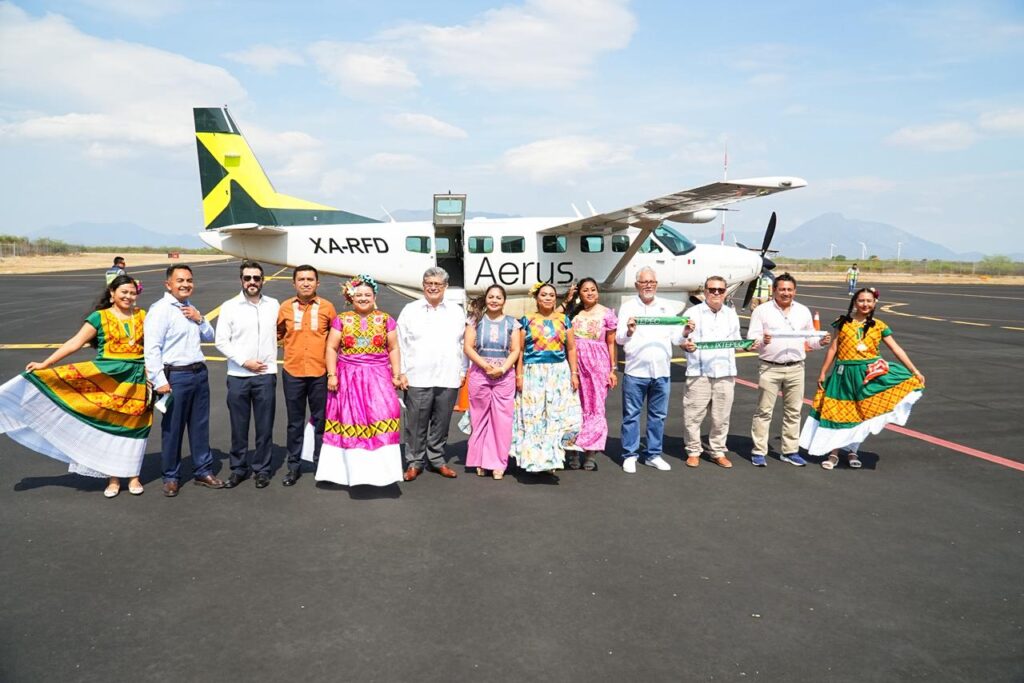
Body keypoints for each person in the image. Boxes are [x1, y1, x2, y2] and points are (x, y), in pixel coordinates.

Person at [0, 275, 151, 498]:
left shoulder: (143, 316)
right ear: (112, 294)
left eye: (132, 292)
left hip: (137, 377)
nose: (128, 296)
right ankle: (113, 478)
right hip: (107, 377)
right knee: (111, 427)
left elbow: (154, 346)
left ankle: (134, 476)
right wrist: (46, 363)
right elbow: (75, 343)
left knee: (136, 426)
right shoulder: (99, 317)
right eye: (124, 292)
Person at [800, 287, 926, 469]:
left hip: (869, 374)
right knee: (837, 413)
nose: (865, 304)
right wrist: (823, 372)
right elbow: (833, 349)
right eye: (861, 300)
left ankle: (853, 450)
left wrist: (914, 370)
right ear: (854, 302)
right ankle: (833, 453)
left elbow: (896, 349)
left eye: (869, 301)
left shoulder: (879, 325)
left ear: (874, 303)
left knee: (862, 413)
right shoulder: (841, 323)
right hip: (843, 374)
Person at [144, 264, 224, 497]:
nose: (186, 284)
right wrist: (159, 380)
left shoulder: (190, 307)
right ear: (168, 284)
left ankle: (203, 470)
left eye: (189, 280)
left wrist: (200, 319)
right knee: (173, 428)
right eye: (180, 280)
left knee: (200, 426)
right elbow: (152, 349)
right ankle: (171, 476)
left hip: (199, 373)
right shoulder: (160, 310)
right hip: (175, 377)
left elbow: (211, 336)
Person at [316, 275, 403, 487]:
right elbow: (331, 347)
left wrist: (397, 374)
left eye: (368, 295)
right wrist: (332, 374)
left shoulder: (385, 319)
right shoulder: (342, 319)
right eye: (359, 295)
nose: (363, 298)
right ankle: (348, 473)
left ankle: (383, 473)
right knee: (350, 419)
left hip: (378, 378)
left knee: (384, 414)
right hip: (348, 378)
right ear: (350, 297)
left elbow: (393, 348)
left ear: (374, 297)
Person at [746, 273, 831, 468]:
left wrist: (820, 342)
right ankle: (759, 451)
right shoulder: (762, 311)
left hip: (795, 368)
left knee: (793, 412)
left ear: (795, 291)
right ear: (774, 290)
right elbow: (752, 339)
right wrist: (762, 341)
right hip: (770, 367)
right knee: (764, 411)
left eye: (789, 289)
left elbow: (809, 340)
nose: (786, 293)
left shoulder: (803, 311)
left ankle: (790, 451)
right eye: (782, 289)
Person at [616, 267, 689, 473]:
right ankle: (630, 454)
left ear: (656, 284)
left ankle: (653, 454)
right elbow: (620, 338)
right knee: (631, 415)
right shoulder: (628, 307)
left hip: (661, 372)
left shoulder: (667, 308)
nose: (648, 285)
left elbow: (676, 338)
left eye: (651, 282)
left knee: (658, 416)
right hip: (636, 371)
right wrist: (629, 331)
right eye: (644, 282)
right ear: (637, 285)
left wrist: (685, 331)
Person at [396, 267, 466, 481]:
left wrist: (463, 370)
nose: (433, 287)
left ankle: (436, 459)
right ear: (423, 285)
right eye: (429, 283)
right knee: (415, 423)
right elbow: (399, 342)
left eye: (437, 284)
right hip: (417, 376)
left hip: (448, 375)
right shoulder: (410, 309)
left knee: (442, 422)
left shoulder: (456, 311)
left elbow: (462, 342)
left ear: (445, 287)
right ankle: (414, 462)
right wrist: (401, 372)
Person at [215, 261, 280, 489]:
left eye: (256, 278)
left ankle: (262, 469)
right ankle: (238, 469)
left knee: (264, 427)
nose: (252, 282)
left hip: (265, 375)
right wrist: (245, 362)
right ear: (241, 280)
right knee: (238, 426)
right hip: (238, 376)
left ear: (263, 280)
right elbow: (221, 340)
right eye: (247, 278)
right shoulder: (229, 306)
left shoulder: (273, 305)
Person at [511, 282, 582, 473]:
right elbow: (519, 350)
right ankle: (533, 458)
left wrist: (574, 373)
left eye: (551, 295)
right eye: (544, 295)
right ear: (536, 298)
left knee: (555, 414)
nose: (548, 298)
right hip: (533, 371)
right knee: (534, 414)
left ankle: (552, 458)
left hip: (558, 371)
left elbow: (571, 348)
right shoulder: (526, 320)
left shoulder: (564, 320)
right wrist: (518, 374)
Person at [276, 265, 336, 486]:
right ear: (294, 283)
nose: (306, 283)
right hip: (293, 372)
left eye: (310, 279)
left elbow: (334, 337)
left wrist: (333, 372)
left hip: (320, 372)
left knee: (322, 421)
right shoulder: (284, 308)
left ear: (317, 283)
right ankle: (293, 466)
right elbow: (279, 333)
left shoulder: (328, 308)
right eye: (301, 279)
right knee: (294, 422)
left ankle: (322, 464)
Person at [681, 276, 741, 469]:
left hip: (725, 372)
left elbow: (736, 341)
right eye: (712, 289)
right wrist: (686, 345)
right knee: (693, 415)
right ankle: (693, 450)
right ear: (705, 291)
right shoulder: (692, 313)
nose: (716, 293)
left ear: (725, 292)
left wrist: (749, 345)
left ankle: (717, 450)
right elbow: (682, 339)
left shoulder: (731, 314)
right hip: (700, 372)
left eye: (720, 290)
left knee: (721, 417)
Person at [463, 285, 521, 480]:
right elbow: (468, 347)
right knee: (479, 418)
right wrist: (486, 366)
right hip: (480, 372)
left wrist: (502, 368)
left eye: (498, 297)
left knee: (502, 420)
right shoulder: (474, 321)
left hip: (504, 375)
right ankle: (480, 460)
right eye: (491, 297)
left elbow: (515, 350)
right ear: (486, 299)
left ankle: (498, 463)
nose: (494, 300)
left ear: (504, 300)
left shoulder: (513, 323)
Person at [565, 277, 618, 471]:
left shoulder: (607, 314)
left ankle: (590, 451)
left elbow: (611, 343)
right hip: (575, 364)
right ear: (579, 293)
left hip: (598, 365)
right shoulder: (573, 313)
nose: (589, 293)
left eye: (593, 290)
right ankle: (572, 450)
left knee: (595, 407)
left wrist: (612, 370)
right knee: (574, 406)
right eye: (585, 290)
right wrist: (568, 299)